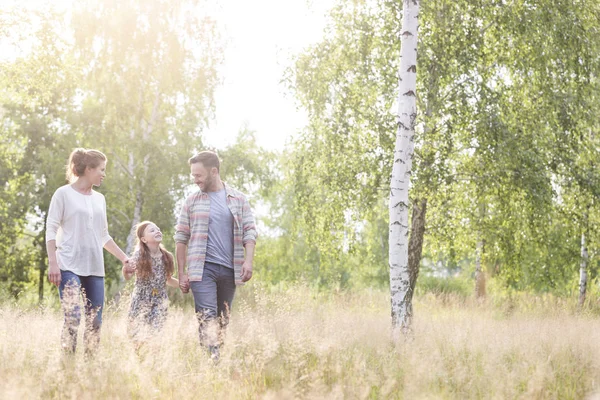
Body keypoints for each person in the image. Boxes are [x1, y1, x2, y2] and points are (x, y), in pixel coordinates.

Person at [46, 148, 129, 356]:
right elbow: (51, 229)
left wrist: (125, 259)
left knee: (96, 321)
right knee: (73, 317)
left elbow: (103, 236)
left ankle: (90, 369)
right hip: (67, 265)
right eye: (101, 169)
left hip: (94, 268)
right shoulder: (63, 194)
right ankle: (68, 363)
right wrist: (53, 263)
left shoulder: (99, 199)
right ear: (88, 169)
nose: (104, 174)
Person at [175, 151, 257, 361]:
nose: (196, 180)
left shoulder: (238, 199)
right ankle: (211, 362)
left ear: (214, 171)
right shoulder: (192, 201)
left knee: (223, 319)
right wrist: (182, 273)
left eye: (199, 175)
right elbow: (181, 238)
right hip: (202, 269)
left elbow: (249, 231)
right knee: (207, 315)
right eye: (193, 175)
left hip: (230, 269)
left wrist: (248, 261)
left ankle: (215, 359)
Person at [122, 221, 178, 348]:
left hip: (159, 300)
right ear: (144, 239)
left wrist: (183, 284)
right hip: (141, 299)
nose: (157, 231)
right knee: (137, 334)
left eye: (158, 229)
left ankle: (153, 358)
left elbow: (168, 279)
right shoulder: (139, 256)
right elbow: (128, 276)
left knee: (156, 333)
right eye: (152, 230)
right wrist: (125, 270)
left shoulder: (167, 257)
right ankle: (140, 358)